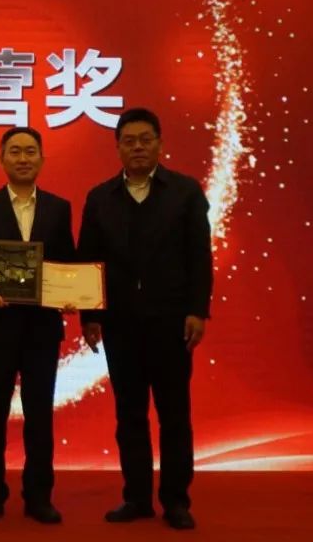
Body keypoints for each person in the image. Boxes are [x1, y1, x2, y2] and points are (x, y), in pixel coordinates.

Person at [76, 108, 213, 530]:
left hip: (172, 323)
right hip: (120, 325)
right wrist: (89, 316)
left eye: (145, 139)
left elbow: (200, 258)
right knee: (130, 415)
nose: (137, 147)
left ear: (159, 144)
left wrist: (198, 310)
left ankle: (176, 500)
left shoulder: (185, 192)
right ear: (118, 147)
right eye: (129, 141)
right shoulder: (100, 198)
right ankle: (136, 498)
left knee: (174, 415)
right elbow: (89, 261)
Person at [0, 127, 76, 525]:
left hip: (42, 329)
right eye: (15, 151)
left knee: (40, 415)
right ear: (1, 159)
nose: (23, 158)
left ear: (41, 159)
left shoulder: (59, 208)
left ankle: (39, 496)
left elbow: (67, 263)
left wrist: (72, 294)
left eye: (30, 151)